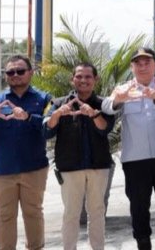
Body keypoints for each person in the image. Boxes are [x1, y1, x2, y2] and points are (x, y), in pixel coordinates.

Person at [0, 55, 51, 250]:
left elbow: (50, 127)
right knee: (4, 216)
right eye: (10, 72)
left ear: (30, 73)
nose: (15, 75)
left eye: (20, 71)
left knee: (33, 213)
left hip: (34, 168)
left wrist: (28, 117)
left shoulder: (43, 99)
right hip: (2, 170)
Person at [102, 47, 155, 250]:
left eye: (147, 63)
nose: (142, 67)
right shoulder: (123, 89)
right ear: (132, 67)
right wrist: (119, 99)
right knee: (138, 205)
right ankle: (143, 243)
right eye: (138, 63)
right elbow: (106, 106)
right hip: (135, 159)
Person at [45, 62, 115, 250]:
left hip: (98, 166)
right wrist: (57, 115)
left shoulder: (104, 104)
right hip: (70, 168)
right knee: (71, 214)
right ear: (72, 79)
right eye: (79, 76)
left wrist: (93, 114)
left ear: (95, 79)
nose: (83, 80)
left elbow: (105, 129)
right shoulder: (57, 103)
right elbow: (47, 132)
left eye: (88, 76)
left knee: (97, 212)